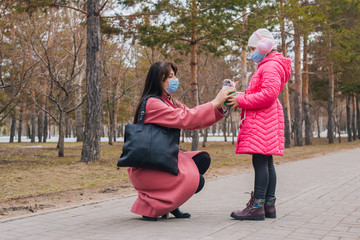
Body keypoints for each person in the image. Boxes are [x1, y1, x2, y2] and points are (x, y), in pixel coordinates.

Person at [127, 61, 234, 221]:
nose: (175, 79)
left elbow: (193, 118)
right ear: (158, 80)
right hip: (147, 165)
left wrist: (220, 107)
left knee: (201, 160)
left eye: (174, 75)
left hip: (161, 158)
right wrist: (213, 102)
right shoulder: (152, 103)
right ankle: (152, 206)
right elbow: (186, 118)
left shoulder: (170, 101)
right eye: (170, 76)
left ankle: (171, 204)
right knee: (197, 181)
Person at [226, 28, 292, 221]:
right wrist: (241, 97)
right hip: (266, 117)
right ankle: (269, 206)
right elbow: (263, 93)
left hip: (264, 118)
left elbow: (269, 95)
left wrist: (241, 101)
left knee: (260, 162)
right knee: (267, 162)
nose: (252, 52)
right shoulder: (269, 64)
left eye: (253, 47)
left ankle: (257, 207)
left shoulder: (270, 66)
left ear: (264, 46)